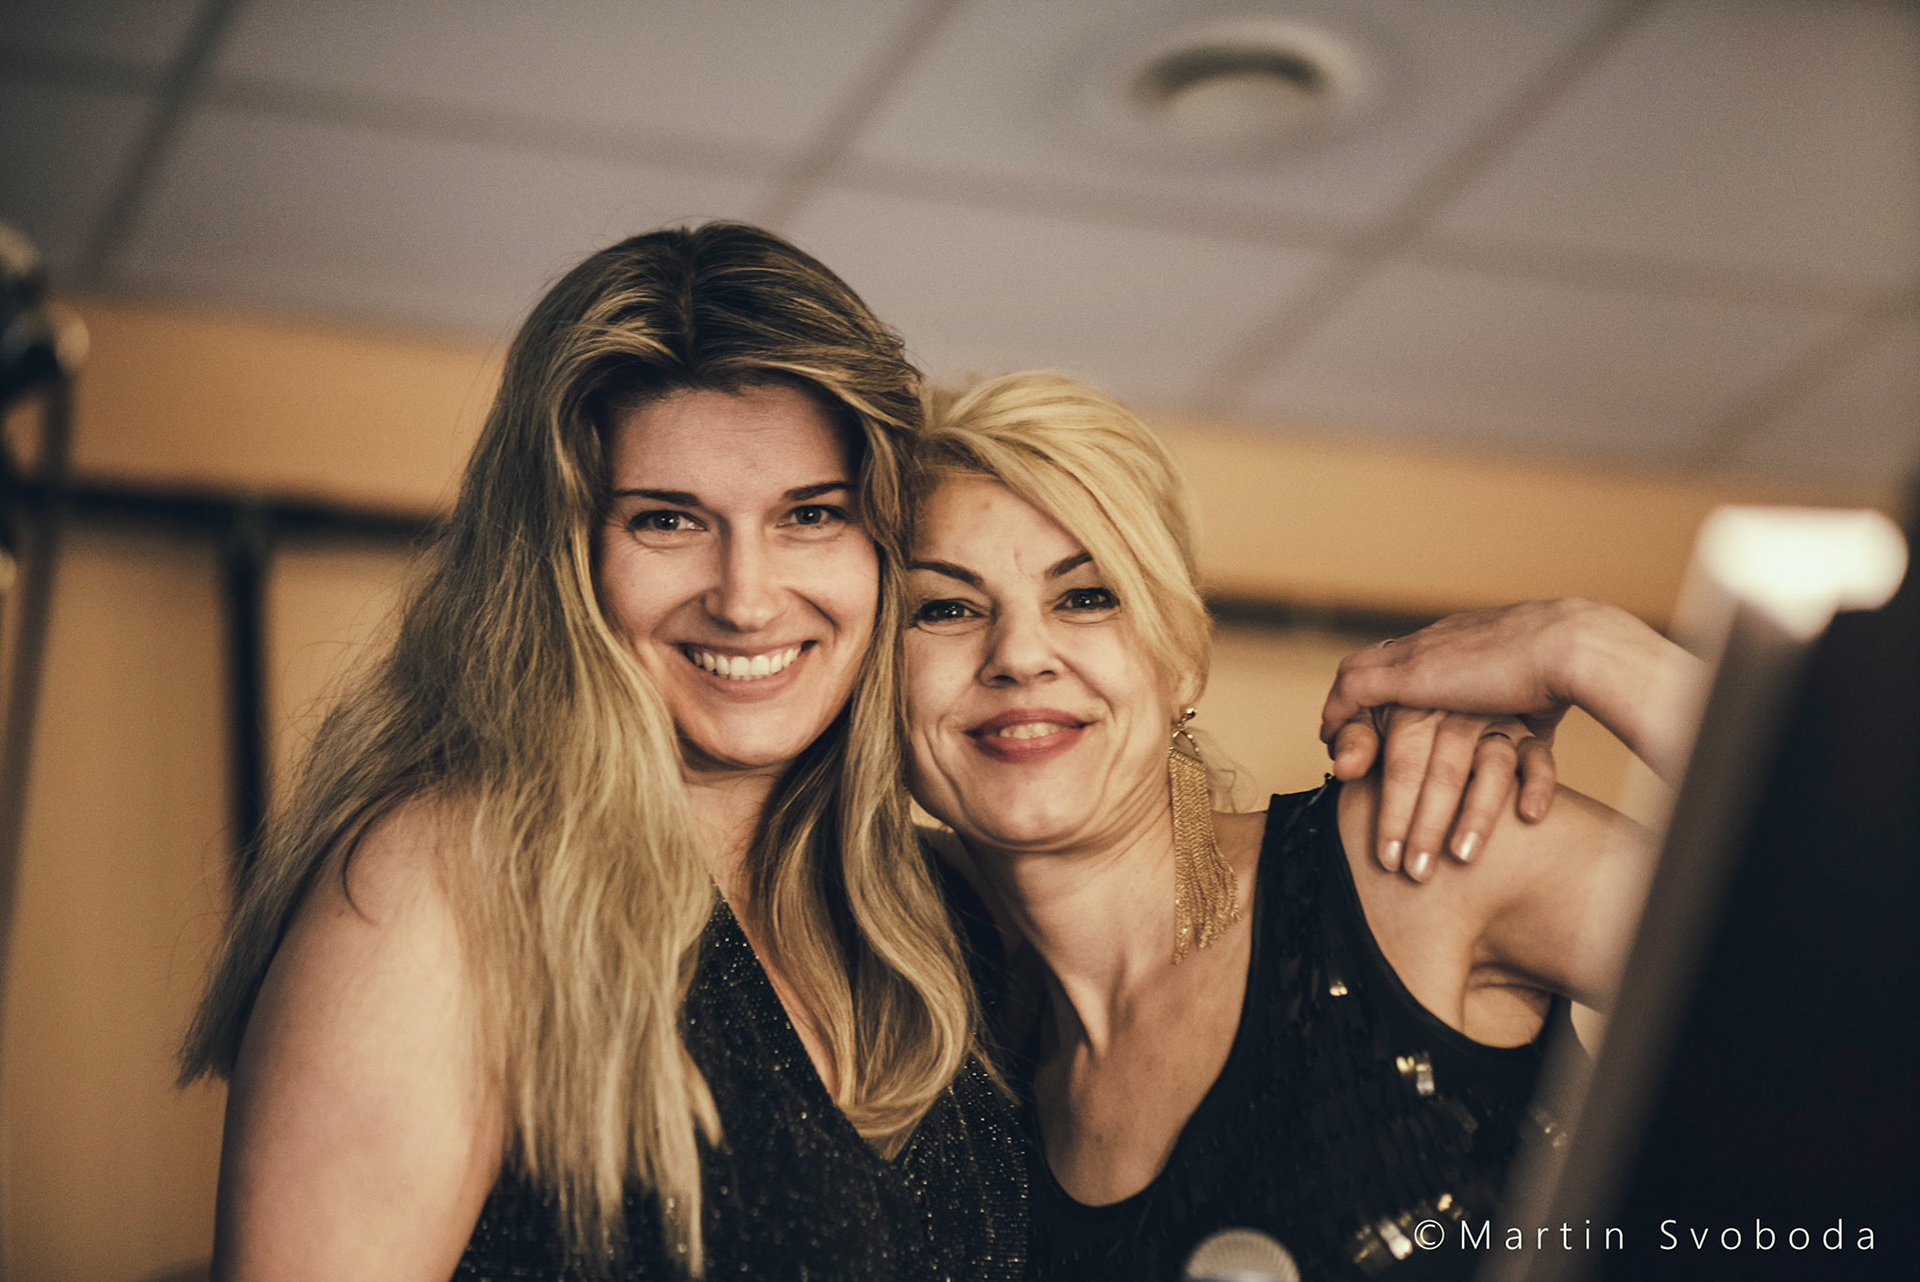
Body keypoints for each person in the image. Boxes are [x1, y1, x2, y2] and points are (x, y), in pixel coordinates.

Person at [177, 224, 1027, 1280]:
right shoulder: (449, 889)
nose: (746, 597)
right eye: (668, 521)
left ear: (885, 549)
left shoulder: (934, 919)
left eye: (810, 515)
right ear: (561, 554)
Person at [899, 371, 1691, 1281]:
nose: (1019, 656)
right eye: (945, 608)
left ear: (1182, 657)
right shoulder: (962, 1087)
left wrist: (1590, 649)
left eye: (1086, 596)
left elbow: (1828, 960)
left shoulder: (1413, 852)